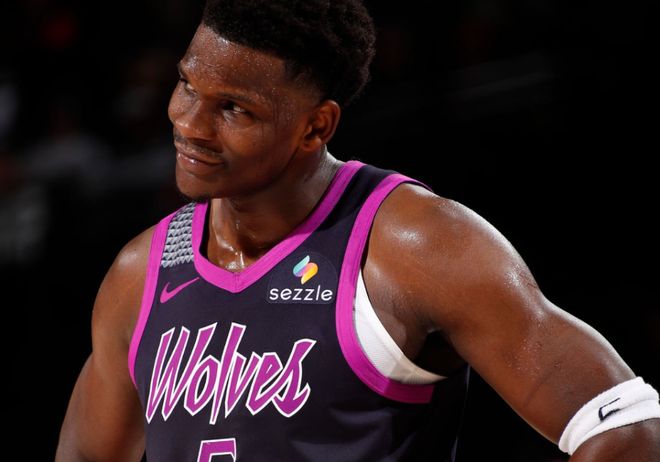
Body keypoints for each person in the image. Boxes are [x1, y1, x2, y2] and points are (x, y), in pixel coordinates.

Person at [55, 1, 660, 461]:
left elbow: (625, 425)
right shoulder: (141, 272)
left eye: (233, 108)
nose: (189, 123)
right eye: (188, 84)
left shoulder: (413, 244)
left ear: (315, 127)